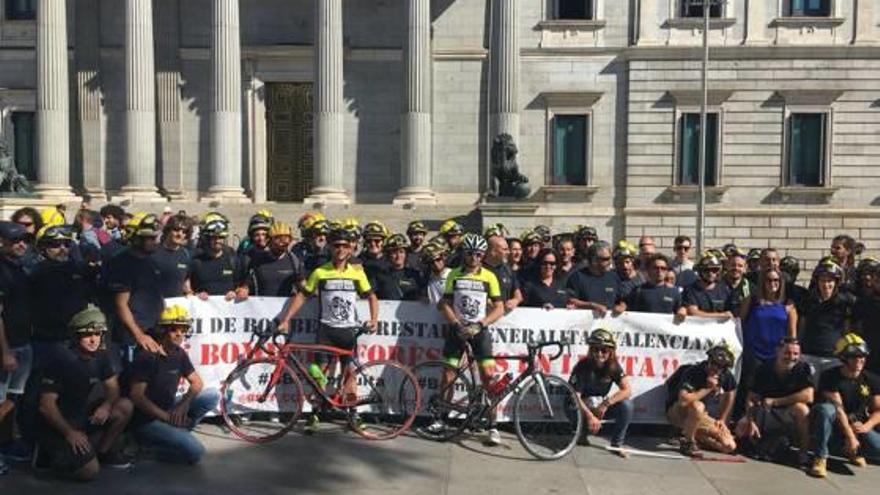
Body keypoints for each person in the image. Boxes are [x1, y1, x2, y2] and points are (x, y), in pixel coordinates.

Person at [275, 225, 379, 433]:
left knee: (350, 374)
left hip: (348, 330)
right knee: (318, 373)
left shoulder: (357, 273)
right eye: (336, 245)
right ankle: (315, 413)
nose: (340, 249)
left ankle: (353, 414)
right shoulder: (320, 272)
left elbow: (372, 296)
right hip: (326, 330)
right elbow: (303, 295)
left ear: (351, 249)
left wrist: (374, 319)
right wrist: (286, 319)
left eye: (345, 246)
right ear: (330, 248)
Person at [35, 306, 133, 479]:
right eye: (88, 335)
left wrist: (107, 405)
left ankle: (102, 453)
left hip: (82, 417)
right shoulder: (61, 360)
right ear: (76, 335)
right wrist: (69, 433)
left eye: (97, 334)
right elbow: (46, 406)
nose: (94, 339)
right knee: (89, 472)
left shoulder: (101, 356)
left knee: (124, 406)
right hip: (58, 424)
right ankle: (50, 454)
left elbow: (113, 388)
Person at [435, 234, 505, 445]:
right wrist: (456, 323)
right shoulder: (453, 275)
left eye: (477, 254)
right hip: (457, 330)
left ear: (482, 255)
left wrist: (480, 324)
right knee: (448, 375)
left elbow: (499, 307)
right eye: (469, 253)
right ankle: (442, 418)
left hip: (479, 331)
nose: (473, 257)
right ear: (463, 254)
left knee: (489, 377)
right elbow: (444, 303)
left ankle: (493, 426)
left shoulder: (490, 276)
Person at [129, 305, 218, 465]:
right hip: (147, 421)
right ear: (162, 330)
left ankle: (178, 430)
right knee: (196, 453)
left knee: (212, 395)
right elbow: (137, 397)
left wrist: (183, 404)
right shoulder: (148, 356)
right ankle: (147, 450)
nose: (180, 334)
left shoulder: (179, 353)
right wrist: (166, 418)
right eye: (174, 330)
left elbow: (197, 382)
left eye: (183, 330)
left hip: (169, 409)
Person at [808, 333, 880, 477]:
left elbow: (878, 410)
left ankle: (850, 451)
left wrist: (866, 427)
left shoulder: (871, 379)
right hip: (834, 425)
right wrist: (851, 437)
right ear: (843, 358)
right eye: (855, 356)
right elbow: (839, 409)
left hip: (857, 425)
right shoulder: (830, 376)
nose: (860, 360)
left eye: (862, 356)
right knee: (826, 409)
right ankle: (820, 458)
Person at [736, 337, 813, 463]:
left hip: (788, 413)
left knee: (802, 409)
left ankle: (803, 453)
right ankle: (756, 444)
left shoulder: (803, 368)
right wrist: (750, 421)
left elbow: (809, 396)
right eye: (787, 353)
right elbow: (751, 398)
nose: (791, 357)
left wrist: (776, 401)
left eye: (795, 354)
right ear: (777, 351)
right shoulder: (763, 368)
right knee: (741, 427)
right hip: (766, 412)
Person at [103, 213, 165, 360]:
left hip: (153, 332)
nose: (155, 241)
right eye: (150, 238)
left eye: (155, 237)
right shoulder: (121, 263)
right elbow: (121, 304)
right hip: (131, 338)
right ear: (137, 238)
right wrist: (139, 335)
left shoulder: (152, 261)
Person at [665, 343, 738, 456]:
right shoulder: (693, 371)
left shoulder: (725, 375)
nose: (717, 369)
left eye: (722, 367)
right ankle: (688, 443)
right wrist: (707, 388)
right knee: (697, 406)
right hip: (679, 412)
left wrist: (722, 418)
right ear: (708, 360)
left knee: (729, 446)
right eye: (714, 364)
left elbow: (730, 392)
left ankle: (693, 436)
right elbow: (683, 400)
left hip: (702, 416)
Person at [570, 329, 634, 455]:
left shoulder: (614, 366)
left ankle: (617, 444)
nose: (599, 354)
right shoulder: (582, 366)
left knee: (627, 406)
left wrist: (606, 403)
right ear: (590, 350)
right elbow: (574, 396)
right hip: (581, 405)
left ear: (611, 352)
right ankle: (581, 432)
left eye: (604, 350)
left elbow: (627, 390)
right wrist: (590, 417)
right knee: (571, 405)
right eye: (595, 349)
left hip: (599, 405)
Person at [0, 221, 33, 464]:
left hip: (23, 343)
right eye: (15, 240)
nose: (22, 244)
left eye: (25, 240)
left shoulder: (20, 268)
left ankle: (6, 443)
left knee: (13, 398)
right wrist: (5, 351)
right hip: (7, 347)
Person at [799, 260, 856, 378]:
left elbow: (847, 328)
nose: (826, 285)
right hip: (809, 355)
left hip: (833, 357)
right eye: (822, 281)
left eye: (830, 281)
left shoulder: (844, 302)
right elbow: (802, 326)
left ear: (836, 282)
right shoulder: (808, 300)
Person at [190, 216, 249, 301]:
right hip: (203, 311)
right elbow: (189, 290)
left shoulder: (234, 260)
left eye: (221, 237)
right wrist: (197, 295)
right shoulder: (196, 262)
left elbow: (242, 286)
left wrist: (236, 292)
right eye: (214, 237)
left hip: (230, 311)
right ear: (206, 238)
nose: (218, 240)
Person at [616, 254, 686, 320]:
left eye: (663, 268)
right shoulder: (638, 291)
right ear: (648, 270)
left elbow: (680, 309)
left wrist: (682, 310)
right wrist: (622, 307)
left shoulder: (674, 292)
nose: (659, 271)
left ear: (667, 271)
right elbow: (625, 305)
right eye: (656, 268)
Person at [249, 222, 304, 297]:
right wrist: (243, 290)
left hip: (287, 307)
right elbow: (247, 285)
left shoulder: (293, 260)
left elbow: (302, 285)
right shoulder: (258, 260)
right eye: (278, 239)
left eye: (286, 239)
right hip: (261, 306)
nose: (282, 243)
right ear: (270, 240)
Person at [566, 241, 620, 316]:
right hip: (584, 324)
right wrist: (593, 306)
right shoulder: (577, 277)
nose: (610, 262)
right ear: (594, 260)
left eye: (610, 258)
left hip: (610, 324)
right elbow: (571, 300)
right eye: (606, 259)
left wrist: (621, 307)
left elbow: (621, 299)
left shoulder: (614, 276)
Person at [151, 214, 192, 298]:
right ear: (168, 230)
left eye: (184, 232)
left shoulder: (186, 254)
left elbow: (185, 281)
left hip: (176, 306)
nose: (180, 234)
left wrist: (189, 292)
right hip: (154, 305)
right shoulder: (153, 252)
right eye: (176, 230)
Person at [684, 254, 734, 318]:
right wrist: (721, 315)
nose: (711, 273)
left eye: (714, 270)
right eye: (706, 270)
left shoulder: (725, 290)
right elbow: (693, 313)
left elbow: (732, 312)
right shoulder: (691, 290)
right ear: (700, 271)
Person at [374, 234, 422, 301]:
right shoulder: (379, 276)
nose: (398, 256)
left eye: (401, 252)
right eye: (394, 253)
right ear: (388, 255)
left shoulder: (415, 275)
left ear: (406, 255)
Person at [482, 234, 523, 312]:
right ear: (493, 252)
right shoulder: (479, 269)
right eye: (505, 249)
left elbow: (518, 295)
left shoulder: (508, 269)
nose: (508, 252)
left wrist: (515, 301)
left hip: (504, 320)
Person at [358, 220, 390, 287]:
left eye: (377, 241)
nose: (373, 244)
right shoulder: (359, 261)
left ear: (383, 242)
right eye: (369, 241)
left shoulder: (390, 259)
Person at [724, 249, 754, 316]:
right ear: (726, 265)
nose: (736, 268)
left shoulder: (751, 288)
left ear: (745, 268)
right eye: (733, 265)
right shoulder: (717, 285)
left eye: (740, 266)